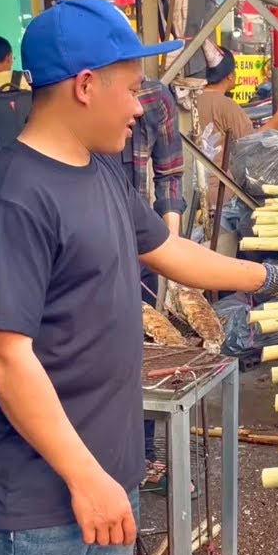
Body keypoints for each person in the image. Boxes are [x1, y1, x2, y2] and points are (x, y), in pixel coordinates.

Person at [0, 0, 278, 555]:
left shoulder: (97, 172)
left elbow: (169, 251)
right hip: (39, 489)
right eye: (130, 90)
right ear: (85, 85)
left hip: (106, 465)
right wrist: (84, 477)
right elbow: (4, 357)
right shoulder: (10, 198)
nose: (138, 108)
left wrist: (273, 277)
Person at [115, 77, 187, 490]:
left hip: (143, 238)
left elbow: (170, 173)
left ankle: (143, 458)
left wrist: (170, 246)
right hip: (94, 239)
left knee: (144, 346)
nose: (135, 107)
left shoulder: (155, 97)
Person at [195, 45, 278, 249]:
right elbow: (250, 143)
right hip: (222, 196)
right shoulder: (224, 105)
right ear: (229, 76)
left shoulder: (191, 100)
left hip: (194, 192)